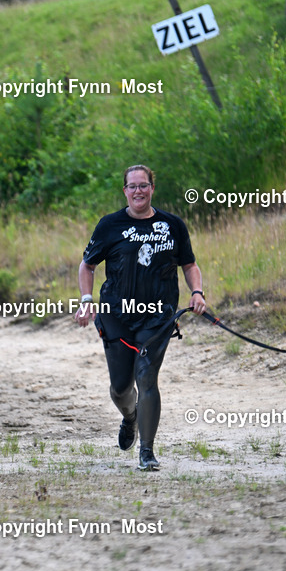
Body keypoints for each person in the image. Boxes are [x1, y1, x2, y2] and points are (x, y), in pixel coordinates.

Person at [74, 165, 207, 471]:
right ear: (124, 191)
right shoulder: (109, 225)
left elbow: (189, 264)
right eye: (132, 187)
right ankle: (130, 416)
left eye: (143, 186)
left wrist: (197, 292)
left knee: (146, 377)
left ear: (152, 189)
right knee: (121, 387)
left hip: (156, 316)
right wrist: (86, 300)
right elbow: (87, 265)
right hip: (116, 316)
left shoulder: (172, 225)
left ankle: (147, 451)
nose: (138, 191)